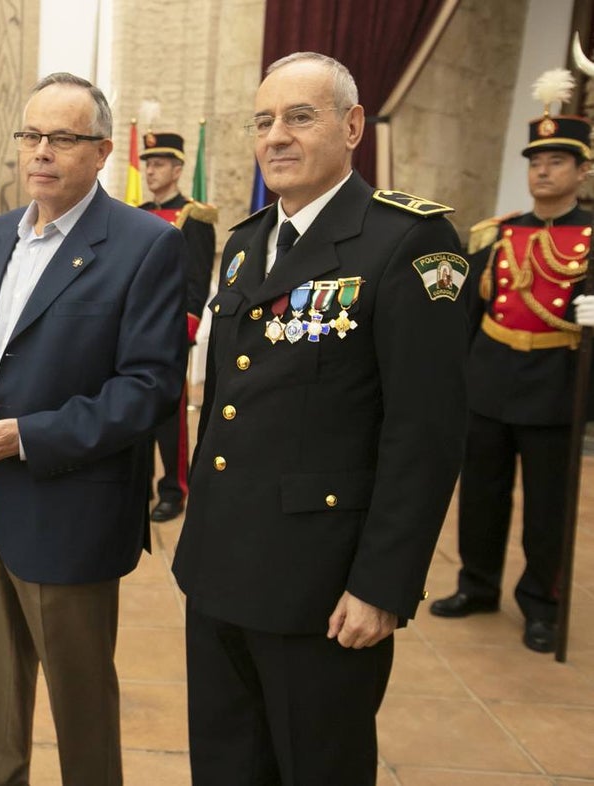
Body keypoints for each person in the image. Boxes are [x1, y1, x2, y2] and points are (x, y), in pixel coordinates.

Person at [172, 52, 469, 784]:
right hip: (219, 570)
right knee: (226, 765)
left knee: (317, 767)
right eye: (264, 121)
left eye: (299, 117)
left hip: (321, 587)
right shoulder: (244, 246)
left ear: (352, 125)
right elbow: (229, 407)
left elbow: (423, 435)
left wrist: (383, 585)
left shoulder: (406, 243)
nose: (276, 136)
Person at [0, 73, 188, 786]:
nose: (40, 152)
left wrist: (29, 436)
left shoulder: (145, 245)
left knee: (78, 699)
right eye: (30, 135)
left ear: (103, 150)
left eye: (62, 138)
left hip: (68, 504)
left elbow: (148, 390)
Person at [431, 68, 593, 654]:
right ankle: (477, 584)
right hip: (490, 381)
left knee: (548, 509)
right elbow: (465, 316)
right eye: (535, 161)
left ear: (582, 169)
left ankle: (541, 603)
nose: (543, 170)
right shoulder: (493, 235)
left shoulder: (592, 238)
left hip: (557, 386)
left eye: (556, 160)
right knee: (480, 494)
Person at [138, 131, 217, 521]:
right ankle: (140, 485)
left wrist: (184, 329)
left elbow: (197, 280)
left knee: (171, 418)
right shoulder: (135, 212)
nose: (150, 171)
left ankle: (174, 488)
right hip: (133, 329)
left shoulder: (194, 215)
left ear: (178, 168)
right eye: (147, 164)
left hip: (169, 331)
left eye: (158, 164)